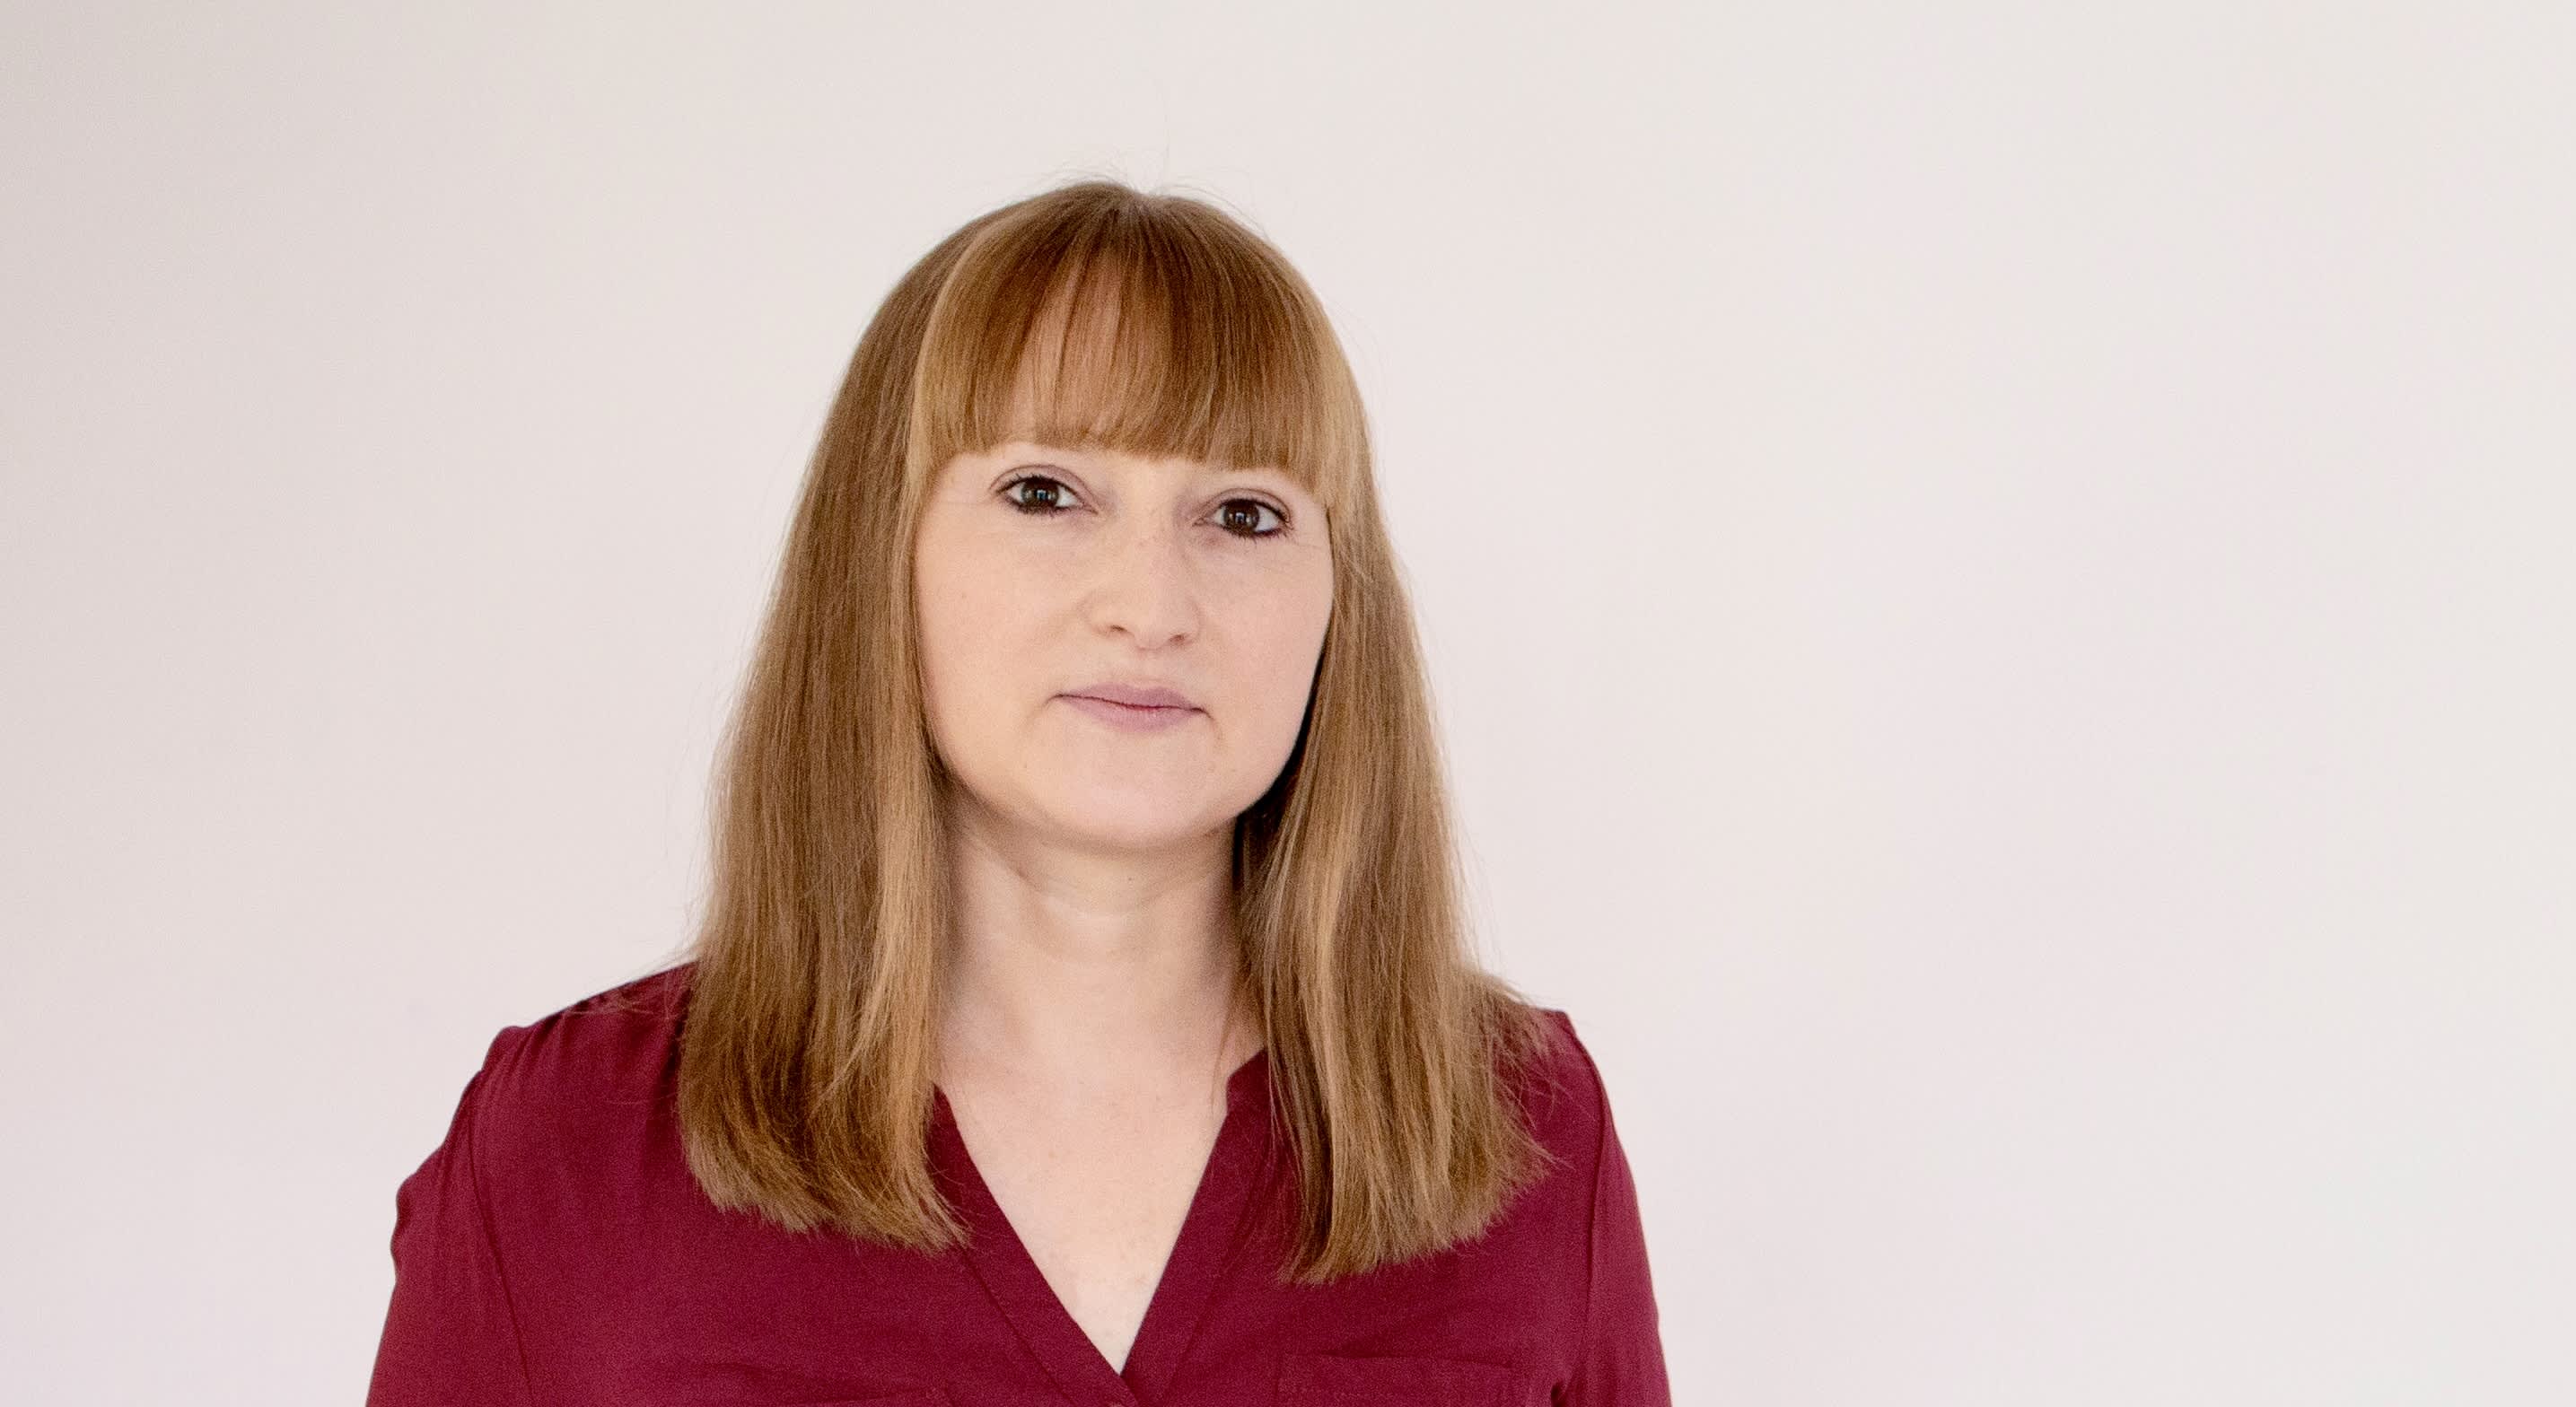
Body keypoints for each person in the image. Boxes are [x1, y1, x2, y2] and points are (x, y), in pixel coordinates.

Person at [365, 179, 1672, 1406]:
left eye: (1244, 514)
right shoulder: (571, 1150)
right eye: (1044, 494)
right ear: (879, 555)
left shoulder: (1525, 1133)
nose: (1150, 606)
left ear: (1342, 602)